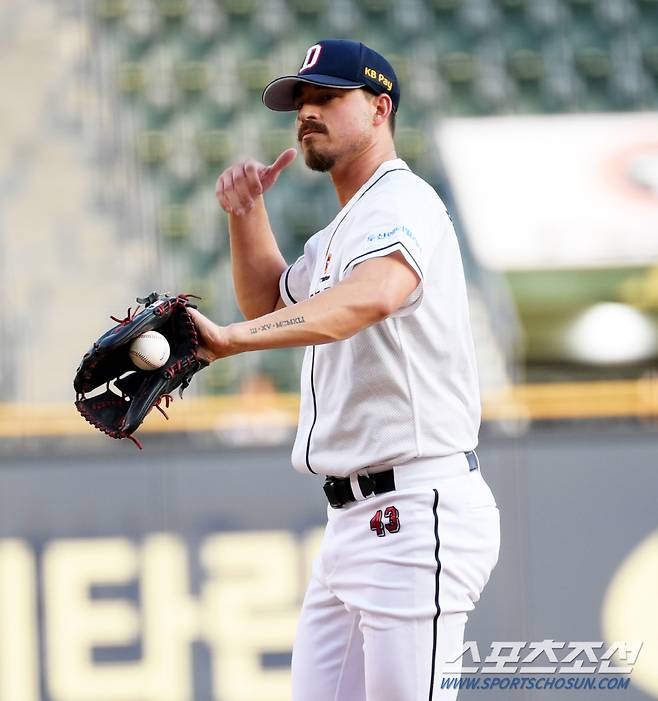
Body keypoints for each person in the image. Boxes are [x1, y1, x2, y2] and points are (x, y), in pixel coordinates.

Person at [189, 39, 500, 701]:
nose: (308, 111)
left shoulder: (403, 202)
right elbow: (272, 300)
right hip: (353, 526)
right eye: (302, 101)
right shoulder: (341, 231)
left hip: (415, 512)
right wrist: (247, 215)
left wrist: (233, 341)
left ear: (380, 107)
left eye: (328, 96)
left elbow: (371, 296)